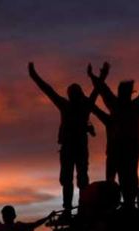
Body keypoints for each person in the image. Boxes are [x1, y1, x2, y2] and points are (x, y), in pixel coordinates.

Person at [28, 61, 109, 211]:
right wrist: (34, 76)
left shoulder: (72, 106)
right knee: (72, 179)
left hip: (75, 148)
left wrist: (103, 75)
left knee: (78, 178)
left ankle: (78, 207)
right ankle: (70, 208)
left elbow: (49, 90)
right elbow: (48, 90)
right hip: (73, 148)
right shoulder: (75, 106)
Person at [87, 64, 139, 208]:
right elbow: (104, 90)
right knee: (120, 176)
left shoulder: (129, 106)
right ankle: (119, 202)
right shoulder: (125, 106)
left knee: (127, 176)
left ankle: (128, 202)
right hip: (119, 147)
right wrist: (94, 77)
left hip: (127, 147)